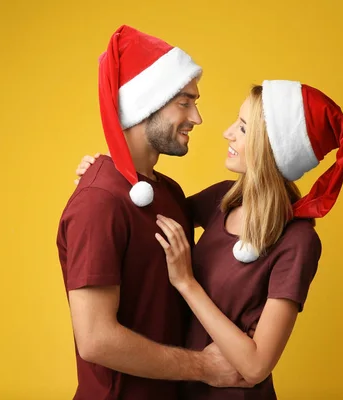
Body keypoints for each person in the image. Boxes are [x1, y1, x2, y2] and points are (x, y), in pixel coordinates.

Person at [74, 80, 343, 399]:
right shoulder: (222, 199)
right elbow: (148, 214)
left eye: (244, 128)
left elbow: (256, 365)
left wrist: (186, 283)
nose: (228, 132)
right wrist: (107, 173)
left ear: (273, 149)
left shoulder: (297, 241)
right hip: (182, 390)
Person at [56, 25, 247, 400]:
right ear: (147, 105)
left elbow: (248, 198)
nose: (198, 117)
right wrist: (205, 367)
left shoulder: (168, 191)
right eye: (184, 101)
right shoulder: (99, 203)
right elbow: (95, 340)